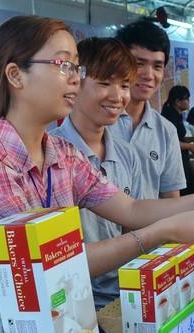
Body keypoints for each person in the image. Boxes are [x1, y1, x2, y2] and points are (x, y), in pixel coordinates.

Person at [0, 16, 194, 323]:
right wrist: (162, 232)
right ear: (16, 75)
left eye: (76, 67)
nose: (75, 78)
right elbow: (48, 265)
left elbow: (132, 209)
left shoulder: (63, 155)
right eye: (63, 64)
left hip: (41, 321)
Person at [49, 36, 141, 310]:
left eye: (124, 86)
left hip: (124, 299)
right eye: (104, 83)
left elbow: (133, 222)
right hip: (73, 304)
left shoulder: (128, 155)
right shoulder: (52, 156)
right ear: (76, 83)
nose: (117, 96)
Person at [111, 19, 185, 199]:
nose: (149, 75)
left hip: (151, 227)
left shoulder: (166, 132)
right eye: (139, 64)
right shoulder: (96, 124)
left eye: (157, 66)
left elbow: (171, 201)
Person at [161, 86, 194, 195]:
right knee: (186, 192)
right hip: (174, 160)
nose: (189, 102)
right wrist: (190, 146)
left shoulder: (177, 114)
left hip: (183, 159)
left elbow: (180, 137)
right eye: (187, 99)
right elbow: (171, 143)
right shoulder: (169, 116)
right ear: (178, 101)